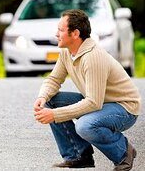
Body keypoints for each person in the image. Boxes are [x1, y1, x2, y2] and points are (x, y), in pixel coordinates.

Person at [33, 9, 141, 170]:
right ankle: (78, 155)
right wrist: (42, 97)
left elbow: (93, 103)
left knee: (85, 125)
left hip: (124, 109)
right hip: (101, 104)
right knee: (50, 101)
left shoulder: (93, 57)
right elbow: (54, 79)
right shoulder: (66, 52)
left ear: (75, 33)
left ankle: (124, 152)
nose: (56, 34)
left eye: (61, 30)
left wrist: (55, 115)